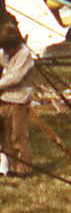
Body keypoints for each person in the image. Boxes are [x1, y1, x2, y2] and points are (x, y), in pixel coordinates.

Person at [1, 24, 34, 177]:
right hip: (5, 99)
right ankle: (11, 167)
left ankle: (23, 169)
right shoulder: (5, 53)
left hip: (19, 99)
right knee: (6, 137)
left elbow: (15, 77)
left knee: (18, 136)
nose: (5, 52)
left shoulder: (25, 54)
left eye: (7, 48)